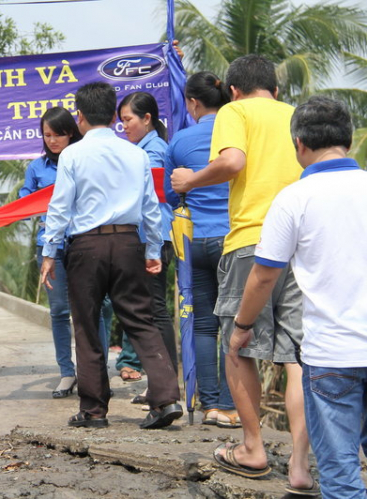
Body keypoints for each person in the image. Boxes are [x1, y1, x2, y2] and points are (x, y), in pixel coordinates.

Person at [171, 55, 312, 490]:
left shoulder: (236, 112)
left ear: (232, 90)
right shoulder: (296, 116)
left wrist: (190, 180)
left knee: (238, 345)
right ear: (274, 86)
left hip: (252, 240)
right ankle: (301, 466)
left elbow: (232, 162)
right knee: (297, 359)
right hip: (301, 244)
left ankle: (253, 448)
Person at [232, 96, 362, 498]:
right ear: (350, 140)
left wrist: (242, 326)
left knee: (341, 475)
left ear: (300, 144)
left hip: (332, 357)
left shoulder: (294, 198)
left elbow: (264, 276)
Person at [40, 81, 181, 430]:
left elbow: (60, 208)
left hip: (87, 246)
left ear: (81, 116)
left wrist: (48, 252)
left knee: (87, 325)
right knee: (141, 320)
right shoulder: (135, 153)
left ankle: (93, 410)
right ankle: (165, 399)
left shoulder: (72, 154)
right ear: (113, 115)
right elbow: (151, 206)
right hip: (129, 243)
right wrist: (152, 249)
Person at [19, 107, 113, 399]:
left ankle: (96, 370)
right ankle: (66, 372)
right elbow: (24, 201)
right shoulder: (36, 168)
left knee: (97, 308)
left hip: (85, 243)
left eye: (58, 133)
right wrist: (40, 201)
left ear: (71, 131)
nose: (52, 140)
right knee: (60, 311)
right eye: (47, 135)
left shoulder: (86, 158)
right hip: (50, 247)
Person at [163, 72, 236, 427]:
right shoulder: (237, 136)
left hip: (195, 241)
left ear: (192, 102)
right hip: (234, 239)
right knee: (235, 324)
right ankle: (230, 404)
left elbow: (171, 194)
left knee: (204, 326)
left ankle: (209, 405)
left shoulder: (179, 140)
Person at [115, 91, 178, 405]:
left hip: (152, 237)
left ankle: (164, 385)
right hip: (149, 236)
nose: (123, 126)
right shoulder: (143, 148)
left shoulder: (152, 151)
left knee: (154, 313)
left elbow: (147, 196)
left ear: (147, 118)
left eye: (128, 119)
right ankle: (160, 383)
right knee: (152, 312)